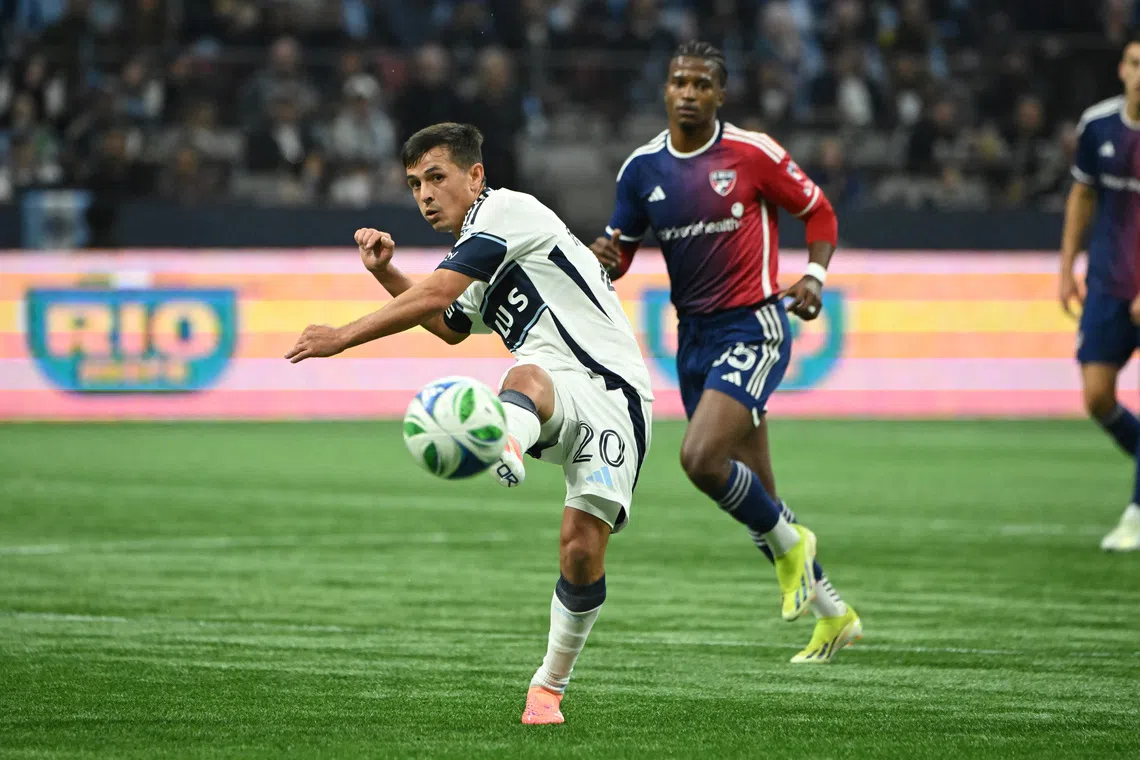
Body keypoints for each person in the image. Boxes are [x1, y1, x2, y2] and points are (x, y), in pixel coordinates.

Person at [286, 123, 654, 723]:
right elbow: (451, 325)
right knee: (525, 374)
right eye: (414, 184)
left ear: (475, 175)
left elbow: (437, 297)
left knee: (581, 551)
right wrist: (387, 272)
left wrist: (342, 336)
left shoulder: (508, 211)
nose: (425, 194)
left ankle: (548, 689)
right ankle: (506, 437)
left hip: (613, 392)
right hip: (548, 387)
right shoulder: (477, 249)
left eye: (437, 177)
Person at [590, 41, 860, 662]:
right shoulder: (640, 171)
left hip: (753, 327)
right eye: (678, 81)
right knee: (759, 496)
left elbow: (818, 213)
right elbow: (620, 250)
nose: (688, 92)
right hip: (693, 341)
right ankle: (834, 615)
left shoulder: (751, 153)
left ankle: (796, 549)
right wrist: (607, 257)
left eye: (701, 83)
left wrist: (814, 276)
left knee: (700, 457)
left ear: (720, 94)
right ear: (665, 90)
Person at [1060, 31, 1140, 552]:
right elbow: (1083, 195)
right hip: (1110, 283)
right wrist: (1067, 266)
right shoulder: (1098, 125)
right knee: (1096, 397)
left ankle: (1136, 513)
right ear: (1122, 69)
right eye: (1136, 63)